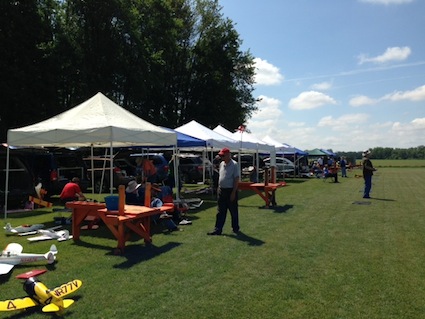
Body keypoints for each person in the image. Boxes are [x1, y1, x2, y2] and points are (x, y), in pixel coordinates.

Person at [208, 147, 240, 236]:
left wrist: (233, 192)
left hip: (230, 190)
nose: (221, 157)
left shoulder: (234, 164)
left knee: (233, 211)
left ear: (229, 155)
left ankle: (235, 228)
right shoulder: (222, 164)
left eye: (223, 155)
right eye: (221, 155)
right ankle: (217, 229)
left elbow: (236, 179)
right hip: (222, 190)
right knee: (220, 211)